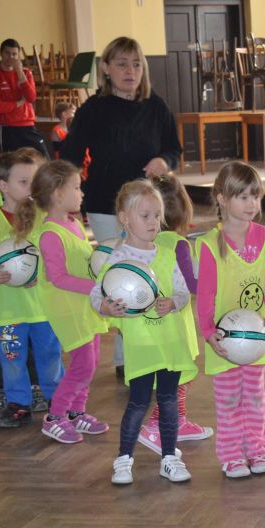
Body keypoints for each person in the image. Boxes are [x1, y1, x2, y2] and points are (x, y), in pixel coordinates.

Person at [60, 36, 183, 378]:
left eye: (137, 64)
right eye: (122, 64)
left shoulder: (156, 106)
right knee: (119, 274)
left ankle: (143, 351)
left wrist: (163, 161)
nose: (131, 71)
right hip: (105, 205)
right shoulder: (94, 109)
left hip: (148, 209)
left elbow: (174, 149)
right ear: (106, 68)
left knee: (149, 273)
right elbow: (69, 156)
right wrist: (65, 196)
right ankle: (125, 357)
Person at [94, 179, 195, 485]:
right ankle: (123, 459)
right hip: (141, 345)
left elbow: (183, 291)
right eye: (145, 216)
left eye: (157, 215)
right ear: (125, 218)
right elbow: (96, 295)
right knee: (138, 402)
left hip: (170, 340)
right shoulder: (117, 258)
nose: (153, 222)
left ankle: (169, 458)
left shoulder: (166, 254)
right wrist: (106, 307)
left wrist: (173, 303)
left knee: (168, 400)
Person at [196, 162, 265, 479]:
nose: (251, 204)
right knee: (230, 399)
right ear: (222, 198)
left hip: (256, 338)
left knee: (256, 398)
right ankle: (232, 455)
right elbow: (205, 294)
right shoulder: (209, 245)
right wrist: (208, 331)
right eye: (243, 197)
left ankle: (257, 449)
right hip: (225, 341)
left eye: (255, 196)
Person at [0, 149, 64, 428]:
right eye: (24, 182)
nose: (31, 187)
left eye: (34, 181)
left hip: (43, 308)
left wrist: (41, 274)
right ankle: (18, 403)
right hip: (8, 312)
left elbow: (56, 256)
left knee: (50, 355)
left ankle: (57, 399)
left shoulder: (45, 217)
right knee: (12, 359)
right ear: (3, 186)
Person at [33, 159, 110, 444]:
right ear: (57, 194)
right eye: (76, 187)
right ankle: (55, 416)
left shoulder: (74, 223)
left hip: (86, 305)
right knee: (83, 365)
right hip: (68, 308)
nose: (82, 193)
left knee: (92, 360)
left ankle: (77, 412)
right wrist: (96, 287)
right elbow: (58, 277)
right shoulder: (50, 235)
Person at [136, 173, 213, 453]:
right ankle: (155, 425)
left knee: (175, 376)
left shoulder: (143, 240)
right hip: (176, 322)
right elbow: (192, 284)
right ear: (183, 209)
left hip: (152, 323)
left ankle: (178, 422)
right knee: (180, 377)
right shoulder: (178, 244)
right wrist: (215, 277)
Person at [0, 38, 48, 156]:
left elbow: (31, 97)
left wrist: (19, 72)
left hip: (28, 125)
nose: (11, 57)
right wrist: (19, 102)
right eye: (7, 53)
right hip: (8, 127)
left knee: (44, 160)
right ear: (1, 53)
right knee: (11, 163)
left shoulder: (26, 72)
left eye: (14, 54)